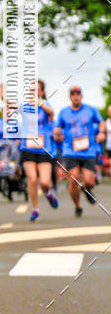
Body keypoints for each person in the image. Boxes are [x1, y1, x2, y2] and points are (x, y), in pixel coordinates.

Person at [53, 86, 105, 217]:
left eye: (78, 93)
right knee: (73, 180)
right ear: (70, 96)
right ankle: (77, 206)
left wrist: (102, 133)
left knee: (89, 181)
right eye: (73, 94)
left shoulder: (90, 110)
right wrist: (57, 134)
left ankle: (86, 189)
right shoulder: (64, 112)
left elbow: (101, 123)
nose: (75, 96)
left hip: (89, 150)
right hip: (70, 150)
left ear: (81, 96)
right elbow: (57, 130)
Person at [18, 80, 58, 221]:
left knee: (45, 182)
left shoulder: (46, 106)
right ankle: (35, 209)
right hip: (27, 147)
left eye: (36, 90)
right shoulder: (24, 107)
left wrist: (39, 103)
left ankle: (48, 194)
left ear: (41, 92)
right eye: (31, 91)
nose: (33, 93)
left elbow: (51, 112)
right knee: (32, 179)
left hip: (43, 148)